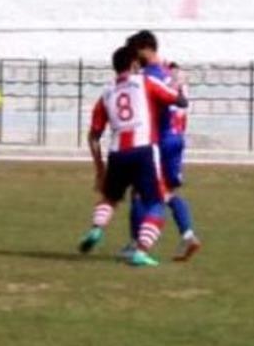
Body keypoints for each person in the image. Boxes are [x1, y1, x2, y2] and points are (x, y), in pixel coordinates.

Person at [78, 45, 188, 267]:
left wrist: (100, 169)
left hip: (117, 152)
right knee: (156, 202)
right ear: (135, 64)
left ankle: (96, 229)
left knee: (110, 197)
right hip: (144, 149)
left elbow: (93, 136)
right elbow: (179, 101)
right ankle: (141, 250)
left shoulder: (106, 93)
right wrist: (178, 81)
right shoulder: (145, 82)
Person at [126, 31, 201, 262]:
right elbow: (182, 103)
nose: (133, 58)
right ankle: (188, 235)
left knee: (139, 193)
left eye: (134, 52)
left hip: (158, 140)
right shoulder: (170, 73)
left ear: (145, 49)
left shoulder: (149, 77)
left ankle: (136, 246)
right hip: (176, 138)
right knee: (168, 192)